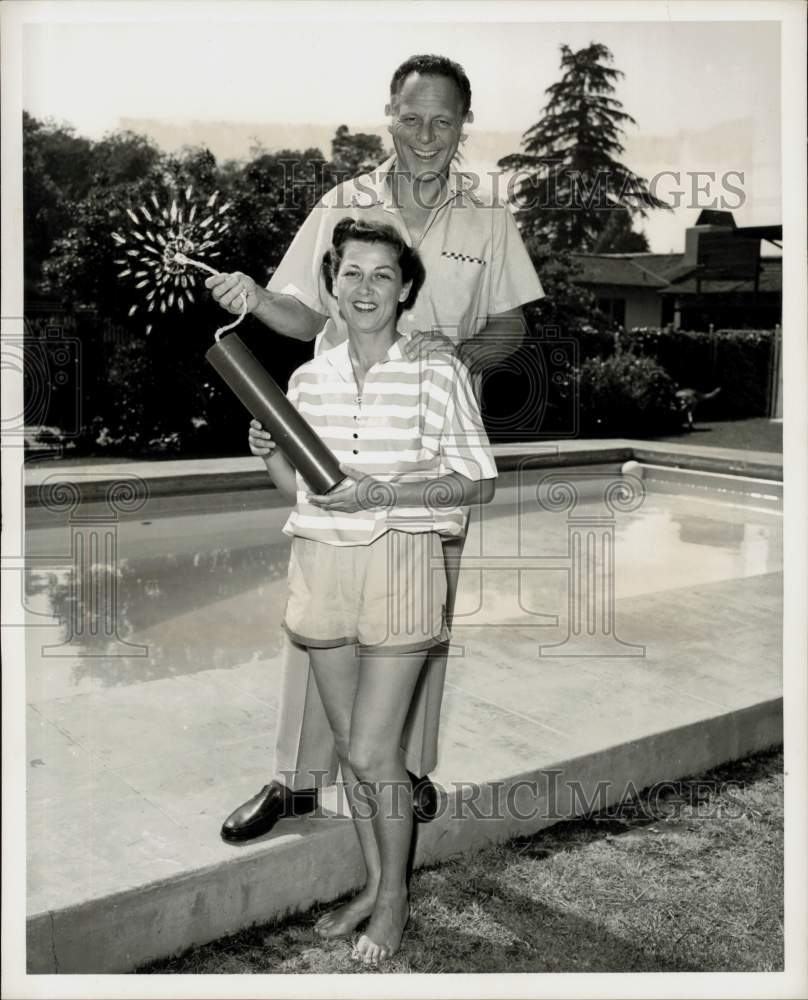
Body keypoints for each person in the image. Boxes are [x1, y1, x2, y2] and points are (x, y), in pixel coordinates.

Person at [207, 54, 544, 842]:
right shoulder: (339, 203)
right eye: (412, 117)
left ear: (465, 125)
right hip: (341, 436)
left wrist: (457, 360)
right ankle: (295, 781)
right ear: (387, 115)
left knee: (424, 616)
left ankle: (406, 769)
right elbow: (299, 311)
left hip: (433, 445)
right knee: (318, 612)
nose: (426, 136)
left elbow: (513, 322)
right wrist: (256, 298)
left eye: (444, 121)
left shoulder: (489, 218)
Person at [252, 218, 496, 962]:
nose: (365, 288)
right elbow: (297, 491)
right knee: (357, 756)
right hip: (322, 567)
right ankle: (372, 882)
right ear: (331, 284)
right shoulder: (304, 381)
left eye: (383, 275)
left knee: (371, 748)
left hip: (400, 564)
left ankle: (393, 900)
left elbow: (478, 478)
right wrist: (266, 451)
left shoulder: (436, 372)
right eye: (352, 273)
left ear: (407, 290)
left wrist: (386, 495)